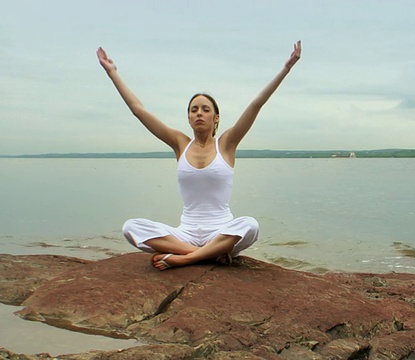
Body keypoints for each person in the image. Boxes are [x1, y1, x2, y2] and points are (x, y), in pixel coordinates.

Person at [97, 41, 302, 270]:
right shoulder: (180, 144)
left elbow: (256, 105)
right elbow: (138, 110)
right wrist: (112, 72)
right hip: (186, 234)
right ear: (188, 118)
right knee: (131, 227)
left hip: (222, 232)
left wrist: (286, 68)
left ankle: (185, 258)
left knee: (250, 225)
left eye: (205, 109)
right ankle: (206, 255)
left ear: (216, 118)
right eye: (194, 110)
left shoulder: (227, 144)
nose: (199, 114)